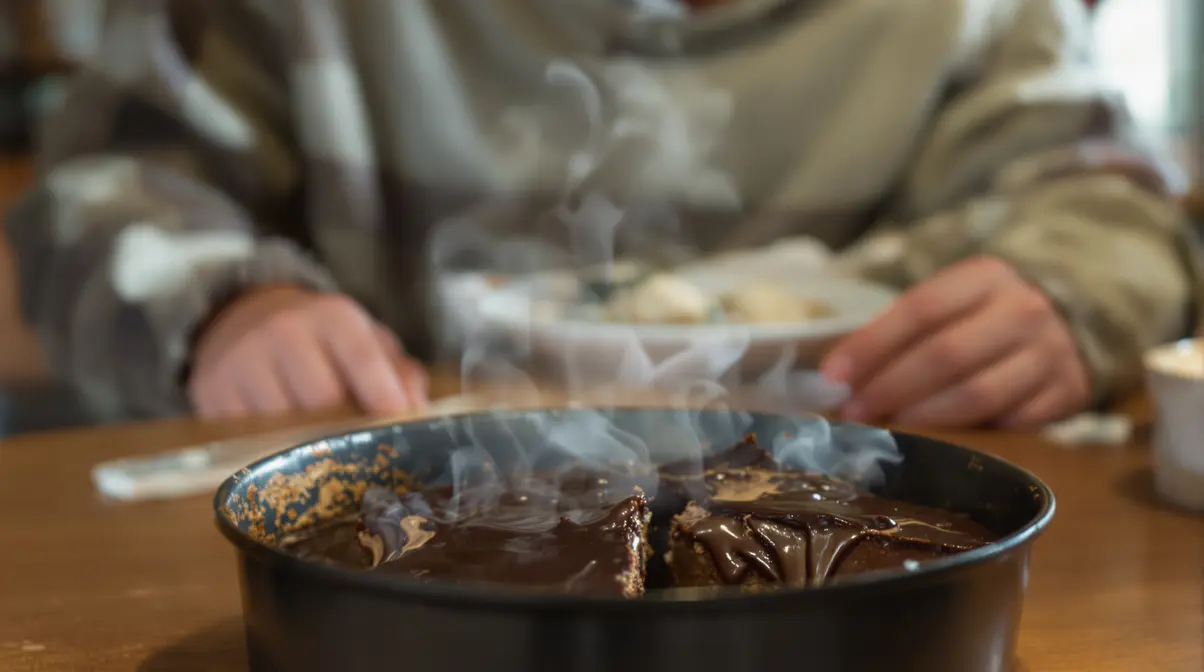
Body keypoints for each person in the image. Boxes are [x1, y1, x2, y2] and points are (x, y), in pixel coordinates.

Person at [6, 0, 1202, 427]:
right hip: (406, 543)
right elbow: (91, 191)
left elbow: (1104, 200)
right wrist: (229, 309)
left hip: (860, 550)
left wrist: (1064, 300)